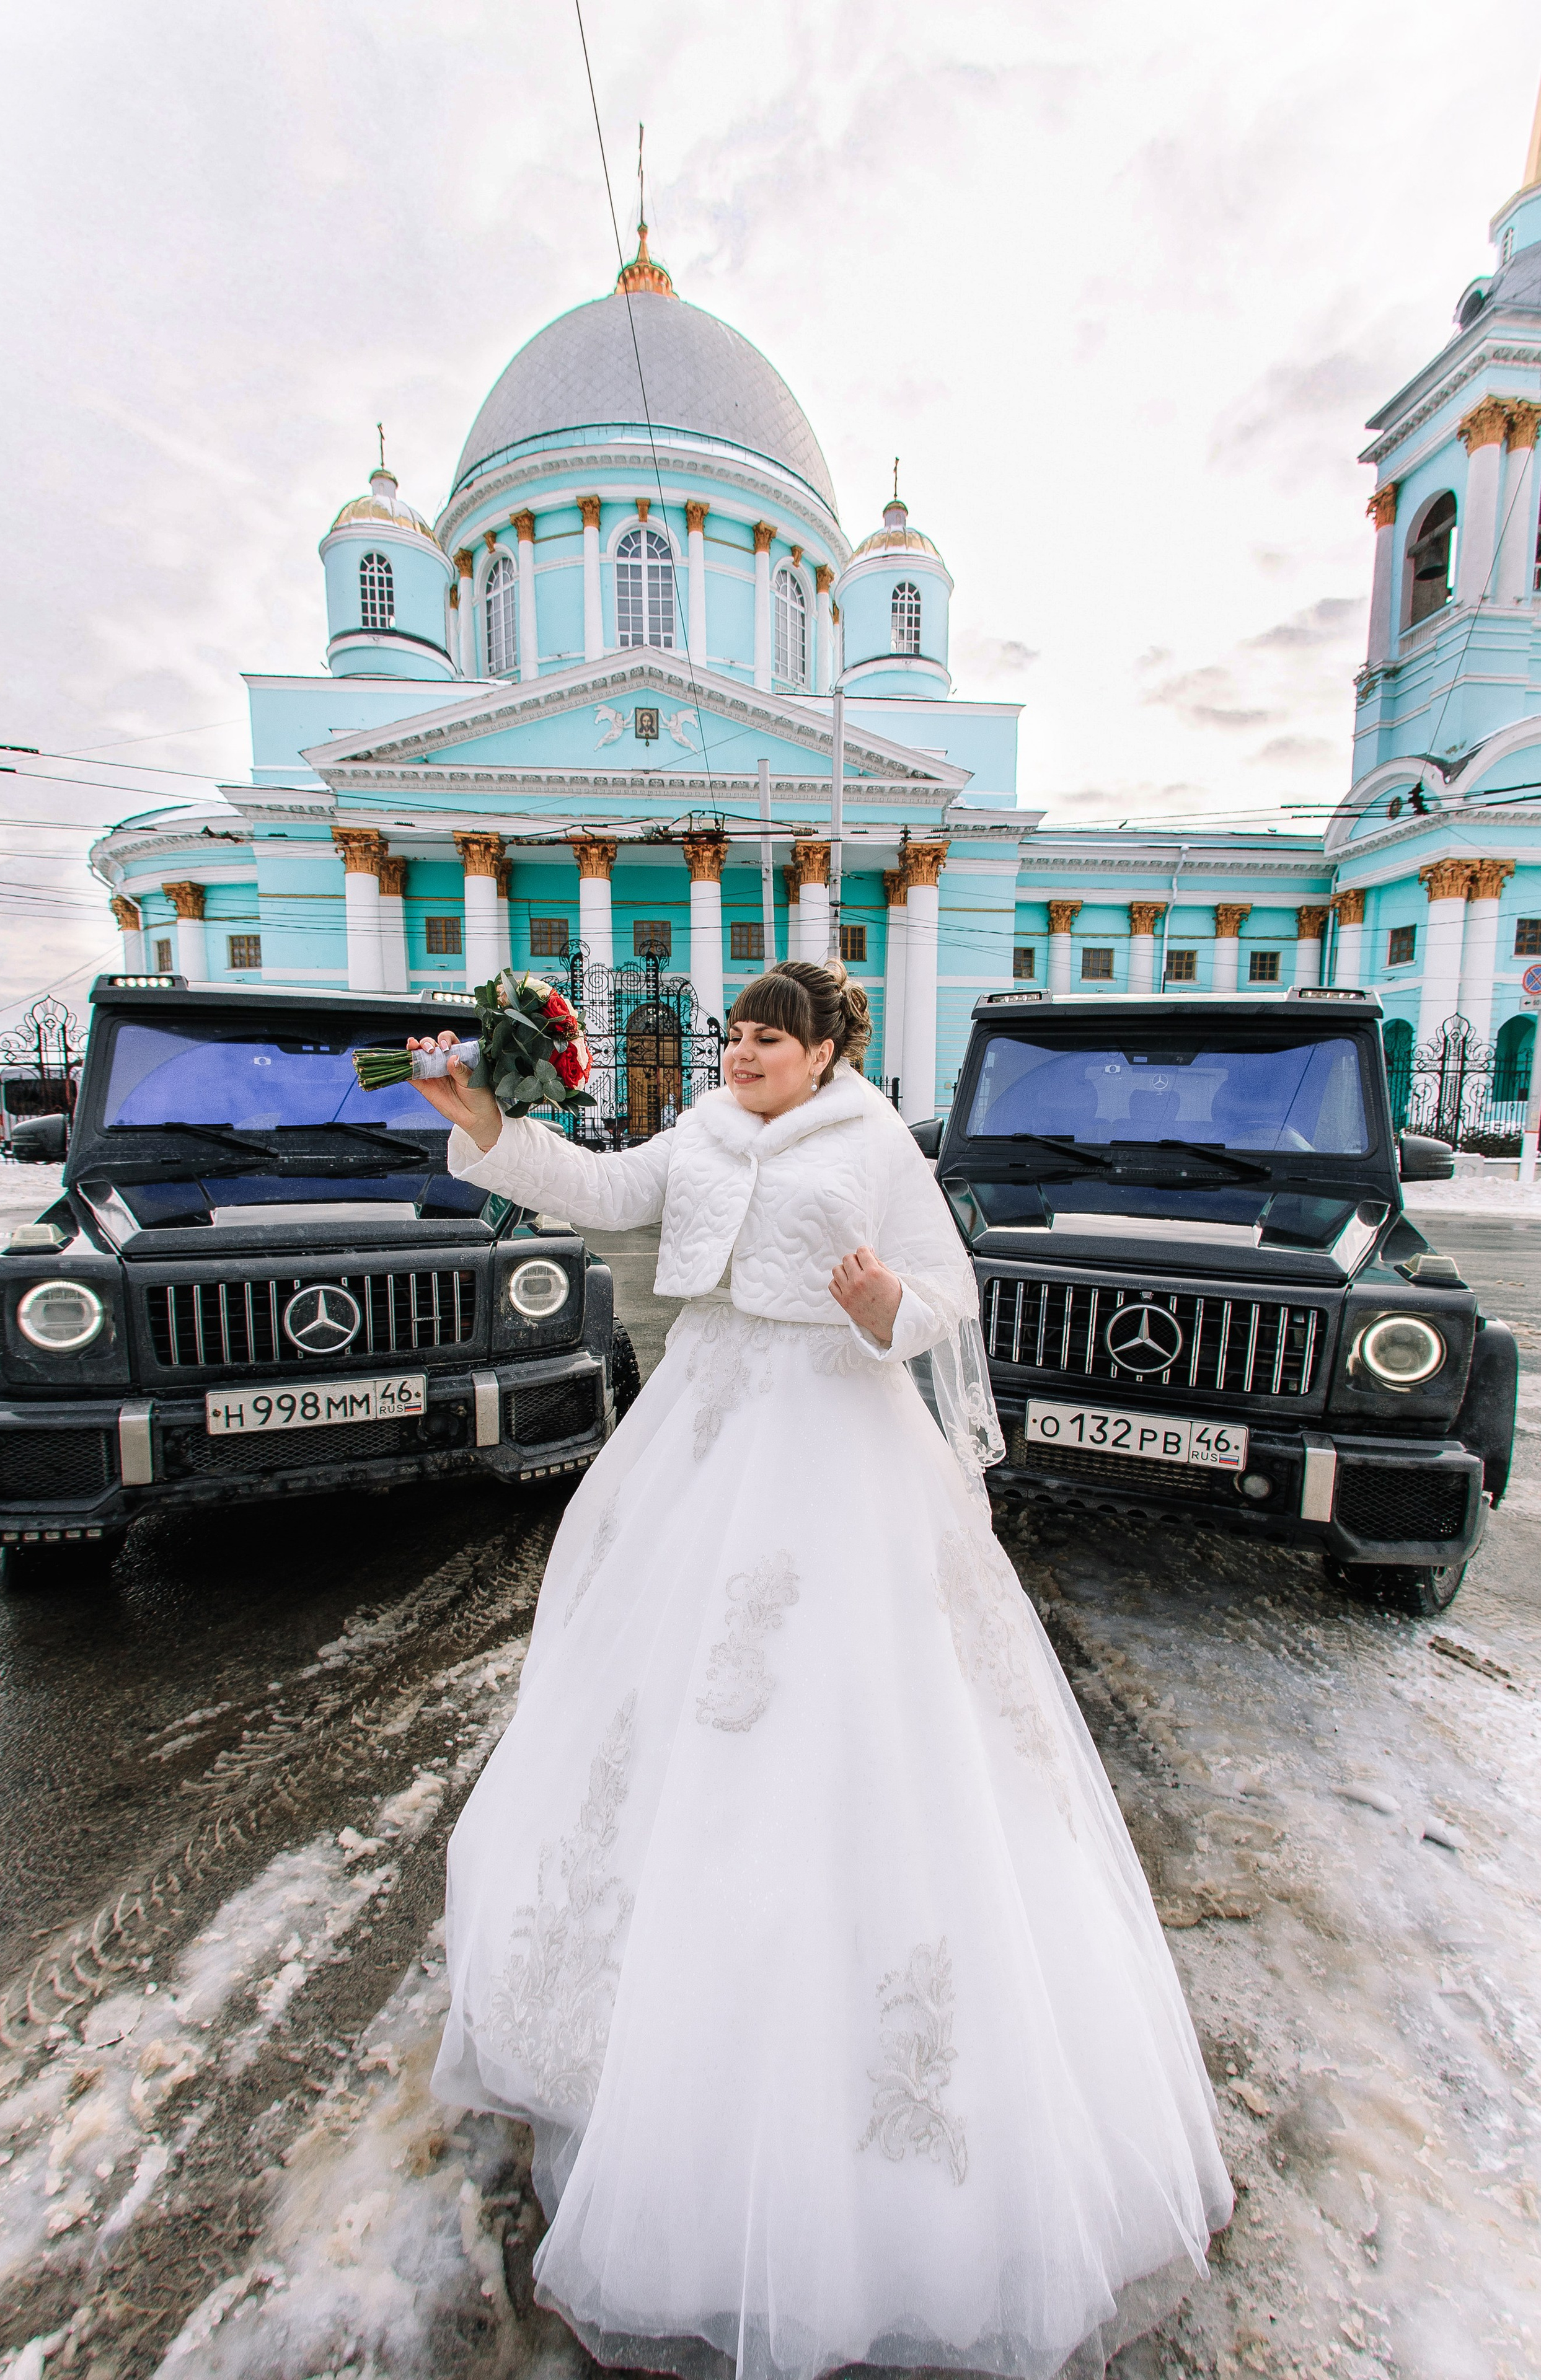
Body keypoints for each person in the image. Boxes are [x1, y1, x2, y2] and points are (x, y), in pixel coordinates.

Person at [410, 959, 1232, 2380]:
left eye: (766, 1039)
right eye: (733, 1033)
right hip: (706, 1421)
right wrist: (485, 1126)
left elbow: (945, 1294)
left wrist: (882, 1305)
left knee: (853, 1714)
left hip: (837, 1434)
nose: (740, 1052)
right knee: (653, 1715)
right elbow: (600, 1189)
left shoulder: (873, 1145)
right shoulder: (701, 1130)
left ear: (826, 1052)